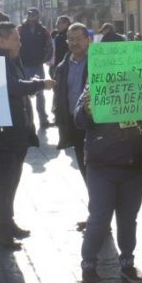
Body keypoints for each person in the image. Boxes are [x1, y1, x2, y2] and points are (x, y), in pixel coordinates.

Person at [0, 22, 55, 249]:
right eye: (15, 39)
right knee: (3, 187)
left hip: (15, 134)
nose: (20, 42)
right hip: (1, 137)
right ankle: (2, 233)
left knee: (11, 184)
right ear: (1, 41)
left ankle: (8, 223)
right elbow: (13, 87)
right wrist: (41, 83)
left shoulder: (9, 59)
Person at [75, 84, 142, 283]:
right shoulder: (94, 87)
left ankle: (127, 262)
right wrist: (86, 110)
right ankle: (88, 264)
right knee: (99, 216)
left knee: (128, 218)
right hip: (102, 164)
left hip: (135, 164)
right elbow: (78, 121)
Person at [54, 23, 90, 184]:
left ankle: (98, 200)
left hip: (94, 123)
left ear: (88, 40)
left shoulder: (97, 64)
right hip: (73, 122)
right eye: (70, 39)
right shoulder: (62, 67)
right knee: (82, 163)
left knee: (94, 165)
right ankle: (94, 199)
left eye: (78, 39)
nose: (74, 43)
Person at [18, 7, 54, 128]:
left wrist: (43, 60)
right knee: (23, 94)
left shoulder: (43, 30)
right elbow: (15, 44)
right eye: (29, 15)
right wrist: (18, 60)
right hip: (24, 65)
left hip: (37, 66)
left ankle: (43, 120)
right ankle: (26, 122)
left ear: (38, 16)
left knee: (40, 94)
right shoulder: (20, 29)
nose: (31, 17)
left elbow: (50, 46)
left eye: (33, 15)